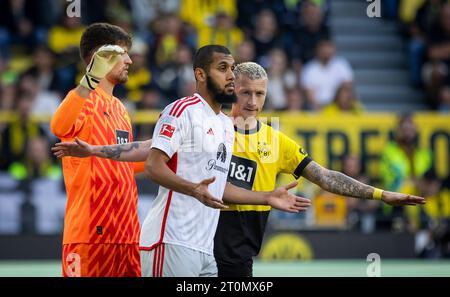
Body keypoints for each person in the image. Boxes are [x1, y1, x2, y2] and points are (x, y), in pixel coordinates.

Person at [53, 62, 426, 277]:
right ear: (233, 91)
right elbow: (147, 149)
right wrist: (95, 151)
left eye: (259, 94)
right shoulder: (207, 126)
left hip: (240, 258)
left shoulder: (277, 142)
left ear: (267, 95)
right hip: (194, 246)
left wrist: (380, 194)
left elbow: (325, 176)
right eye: (244, 92)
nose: (251, 101)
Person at [53, 45, 310, 277]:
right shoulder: (182, 110)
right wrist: (193, 190)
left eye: (232, 68)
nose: (231, 75)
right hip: (171, 240)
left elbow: (218, 188)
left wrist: (266, 197)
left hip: (204, 248)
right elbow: (154, 166)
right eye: (223, 68)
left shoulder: (224, 125)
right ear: (200, 74)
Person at [50, 23, 144, 277]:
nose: (130, 60)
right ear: (100, 57)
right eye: (123, 53)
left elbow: (125, 164)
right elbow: (59, 125)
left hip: (127, 234)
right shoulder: (82, 100)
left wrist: (169, 154)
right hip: (90, 235)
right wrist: (89, 80)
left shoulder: (120, 108)